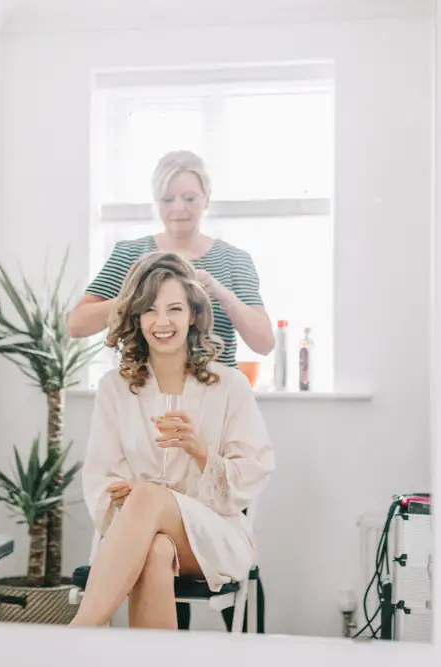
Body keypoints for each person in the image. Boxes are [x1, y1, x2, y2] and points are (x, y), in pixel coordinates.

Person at [70, 251, 275, 630]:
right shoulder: (114, 389)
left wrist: (199, 451)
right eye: (149, 310)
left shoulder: (230, 386)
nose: (161, 322)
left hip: (215, 533)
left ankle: (78, 635)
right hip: (140, 535)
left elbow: (252, 473)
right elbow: (100, 476)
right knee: (154, 549)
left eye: (175, 309)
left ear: (193, 315)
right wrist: (122, 496)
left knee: (147, 496)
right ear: (136, 318)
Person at [67, 149, 275, 367]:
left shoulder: (234, 260)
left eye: (189, 198)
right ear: (157, 202)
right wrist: (136, 294)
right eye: (168, 199)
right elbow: (77, 325)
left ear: (207, 198)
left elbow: (264, 344)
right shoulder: (129, 254)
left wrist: (221, 292)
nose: (178, 207)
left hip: (216, 394)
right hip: (144, 394)